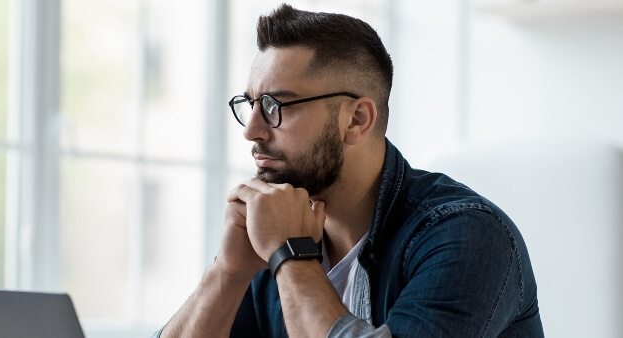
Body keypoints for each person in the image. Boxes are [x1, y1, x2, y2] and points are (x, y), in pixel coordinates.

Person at [154, 4, 543, 338]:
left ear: (356, 119)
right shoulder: (271, 228)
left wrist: (292, 255)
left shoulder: (467, 235)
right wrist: (229, 271)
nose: (251, 131)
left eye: (276, 106)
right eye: (249, 104)